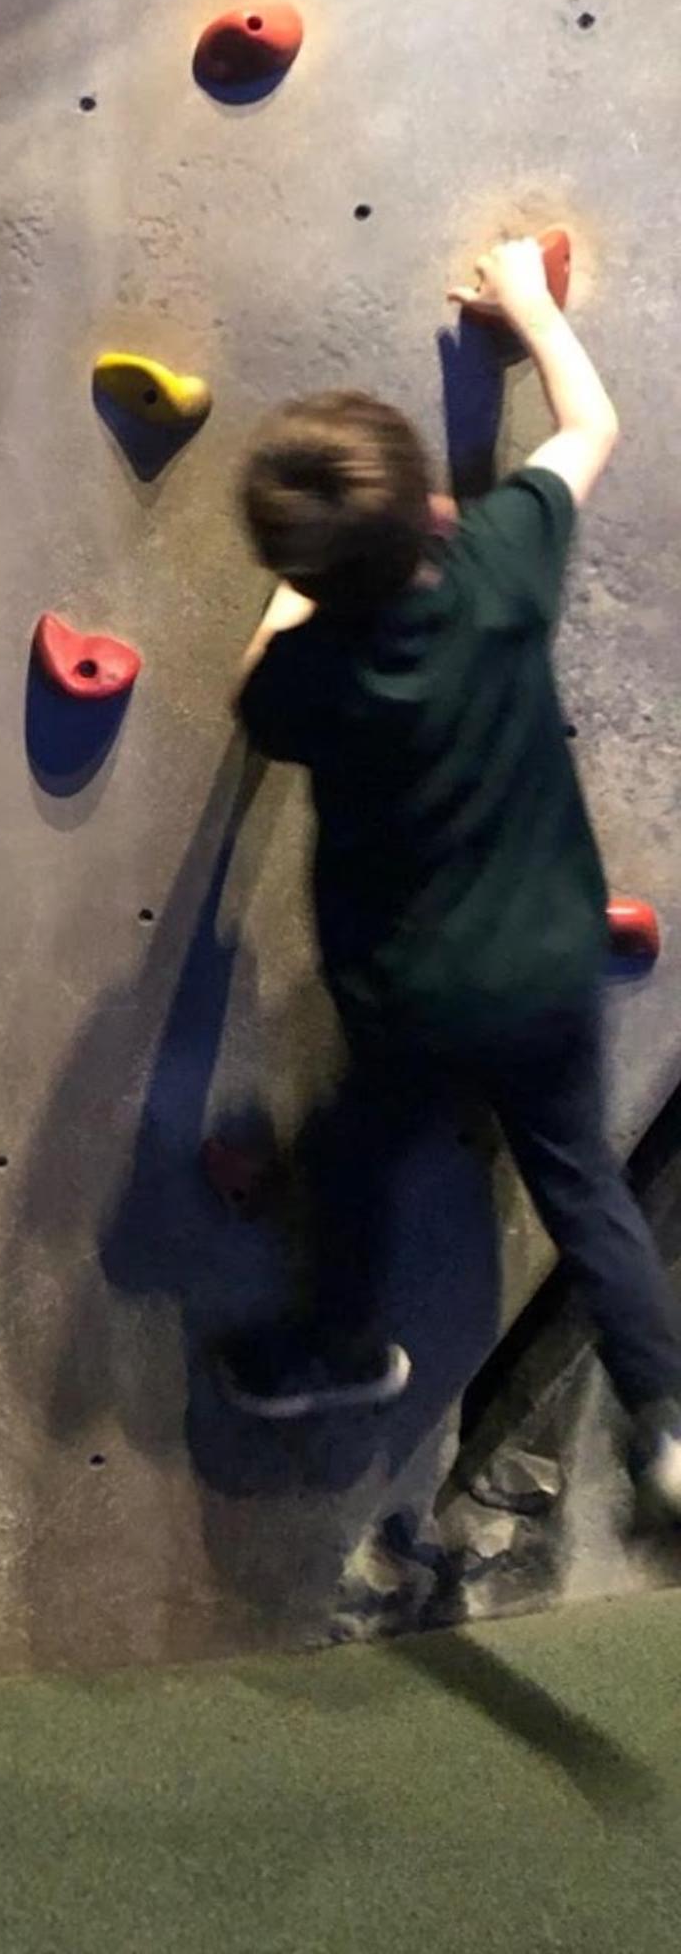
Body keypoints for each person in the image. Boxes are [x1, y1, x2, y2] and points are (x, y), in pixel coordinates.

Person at [225, 234, 681, 1521]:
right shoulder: (501, 570)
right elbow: (591, 424)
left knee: (351, 1157)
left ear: (305, 574)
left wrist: (297, 601)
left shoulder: (310, 676)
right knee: (581, 1185)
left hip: (414, 1001)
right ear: (432, 504)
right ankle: (665, 1421)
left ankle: (342, 1348)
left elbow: (254, 690)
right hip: (548, 963)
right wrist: (528, 303)